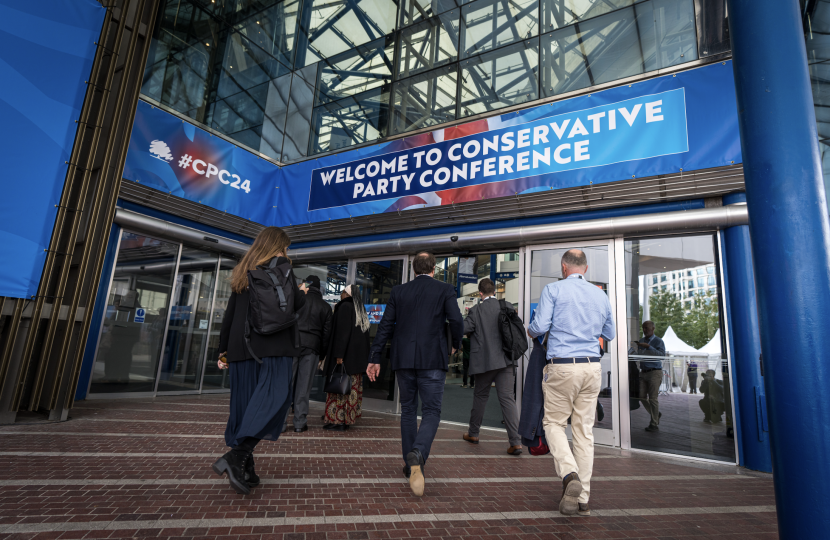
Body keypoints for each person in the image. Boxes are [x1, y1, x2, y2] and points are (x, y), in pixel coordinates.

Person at [213, 226, 305, 495]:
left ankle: (246, 468)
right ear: (279, 246)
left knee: (245, 408)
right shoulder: (281, 266)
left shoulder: (245, 269)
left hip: (240, 349)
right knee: (275, 400)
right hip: (271, 347)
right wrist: (299, 289)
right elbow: (296, 304)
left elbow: (230, 313)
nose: (287, 251)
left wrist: (223, 349)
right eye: (285, 246)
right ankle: (236, 456)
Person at [526, 249, 615, 517]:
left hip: (562, 366)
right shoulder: (601, 294)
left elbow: (539, 326)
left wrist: (529, 331)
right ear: (585, 269)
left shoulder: (553, 290)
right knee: (584, 432)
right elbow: (609, 332)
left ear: (564, 267)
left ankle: (569, 474)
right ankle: (583, 499)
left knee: (553, 423)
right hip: (591, 367)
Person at [367, 251, 463, 497]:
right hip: (433, 359)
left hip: (404, 360)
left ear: (413, 269)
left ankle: (410, 465)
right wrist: (455, 344)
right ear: (434, 268)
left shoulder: (399, 292)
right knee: (431, 411)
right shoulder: (445, 289)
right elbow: (456, 320)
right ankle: (418, 453)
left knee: (408, 410)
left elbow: (386, 325)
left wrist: (375, 357)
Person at [461, 278, 522, 455]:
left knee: (480, 396)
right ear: (494, 291)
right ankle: (516, 442)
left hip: (485, 361)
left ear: (480, 293)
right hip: (506, 360)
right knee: (507, 399)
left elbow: (465, 329)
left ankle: (473, 433)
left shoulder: (476, 310)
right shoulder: (508, 306)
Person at [283, 275, 332, 433]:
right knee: (304, 387)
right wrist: (322, 355)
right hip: (312, 348)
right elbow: (326, 336)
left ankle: (281, 423)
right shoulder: (325, 307)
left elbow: (286, 322)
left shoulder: (298, 302)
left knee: (286, 384)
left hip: (292, 344)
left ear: (308, 286)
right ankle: (299, 423)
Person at [322, 284, 370, 431]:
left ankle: (337, 421)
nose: (341, 295)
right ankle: (347, 420)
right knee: (351, 391)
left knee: (339, 389)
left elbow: (342, 334)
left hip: (345, 358)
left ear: (346, 294)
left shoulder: (345, 307)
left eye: (342, 292)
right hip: (357, 360)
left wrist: (339, 355)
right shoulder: (360, 309)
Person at [629, 321, 666, 432]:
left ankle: (654, 424)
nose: (645, 330)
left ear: (653, 328)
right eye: (643, 328)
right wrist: (632, 350)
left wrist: (649, 347)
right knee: (641, 396)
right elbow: (637, 355)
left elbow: (662, 356)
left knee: (653, 398)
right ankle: (655, 414)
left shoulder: (658, 341)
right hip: (643, 372)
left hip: (655, 372)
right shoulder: (641, 341)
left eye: (647, 328)